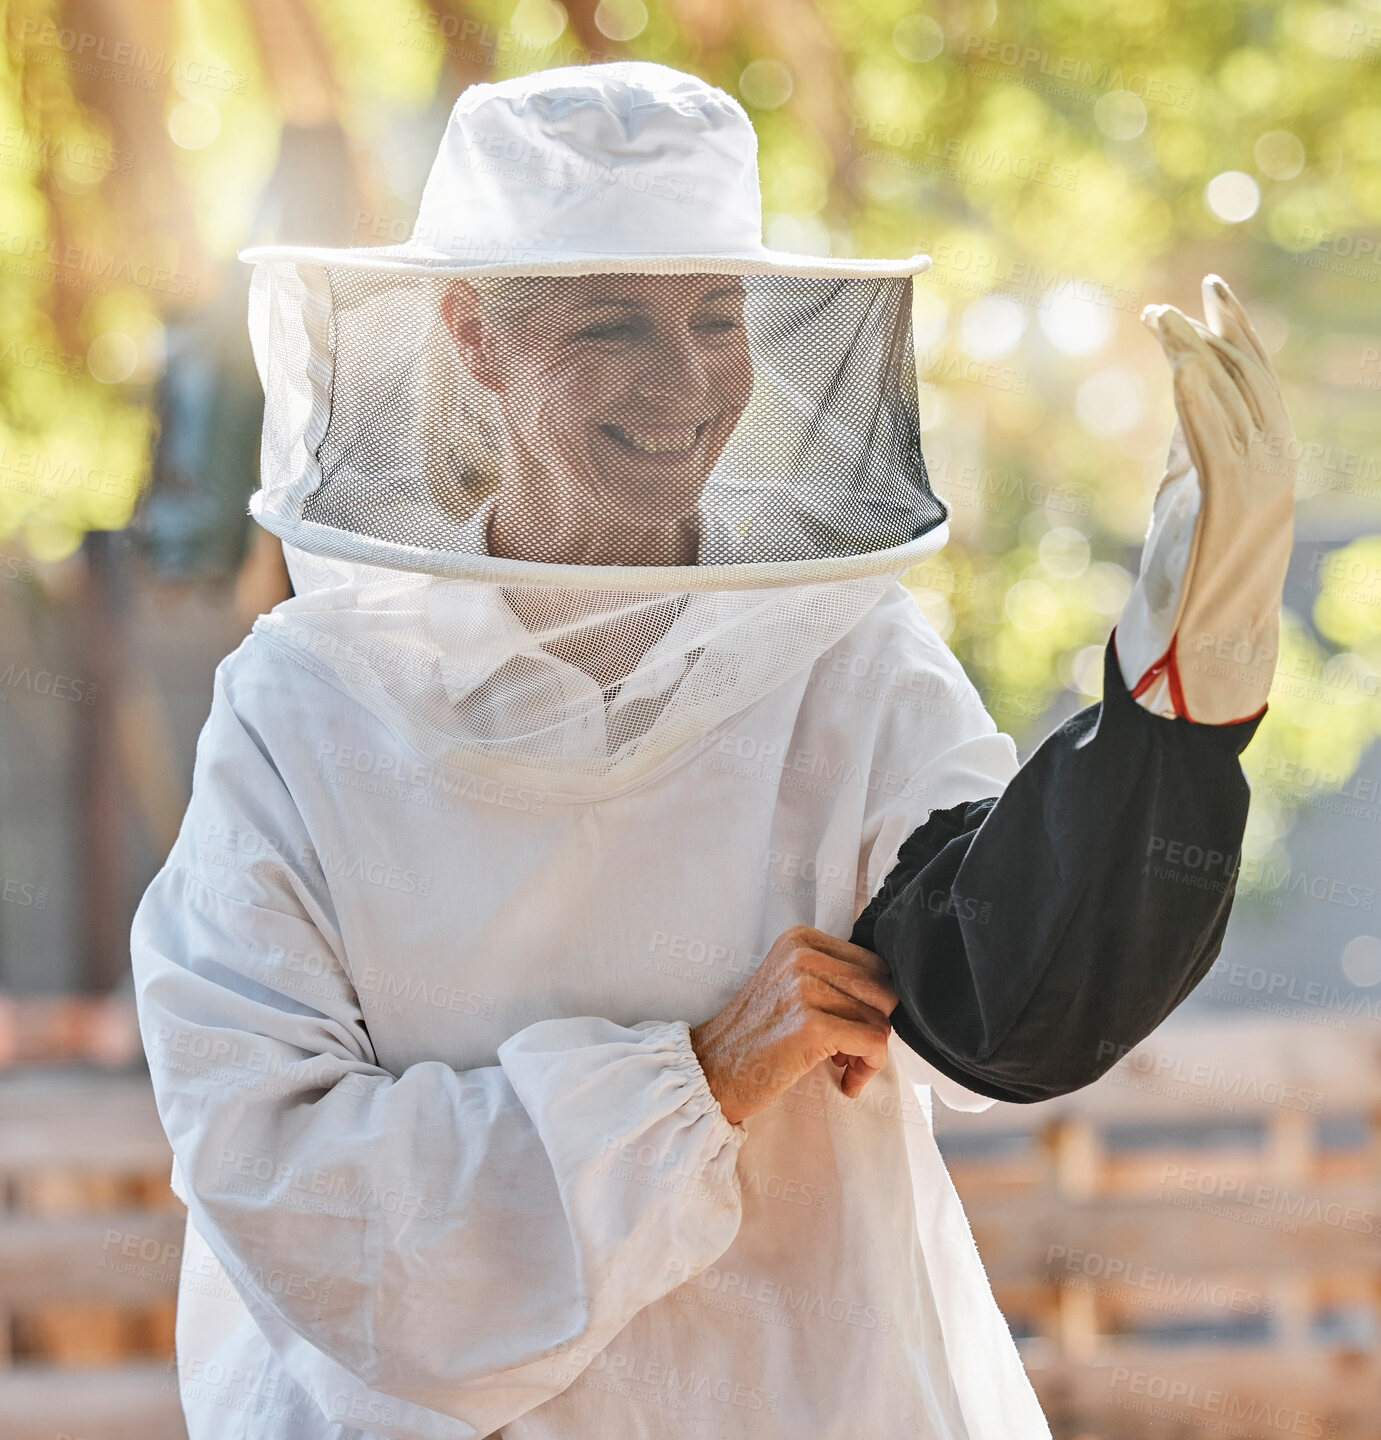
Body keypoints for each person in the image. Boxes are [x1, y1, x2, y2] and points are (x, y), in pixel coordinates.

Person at [132, 62, 1295, 1440]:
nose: (685, 382)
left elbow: (999, 989)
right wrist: (694, 1078)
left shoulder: (846, 661)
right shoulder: (308, 707)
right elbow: (276, 1167)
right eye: (614, 324)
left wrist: (1173, 719)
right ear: (471, 335)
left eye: (718, 317)